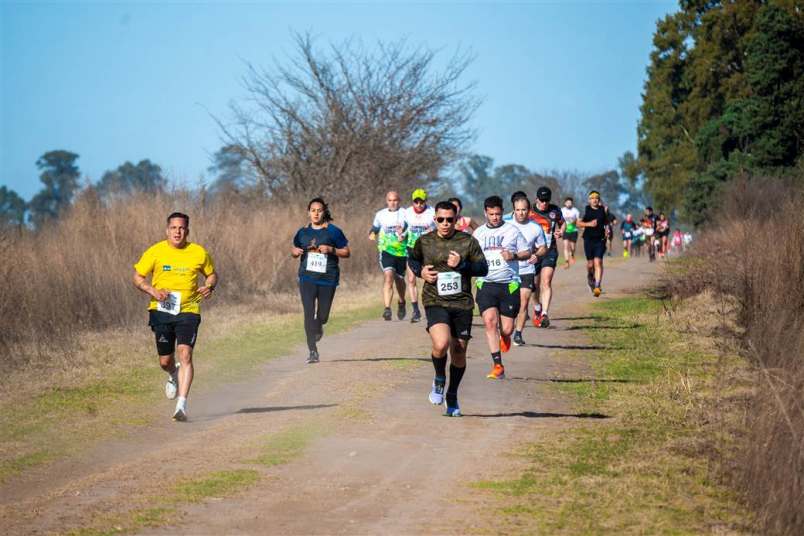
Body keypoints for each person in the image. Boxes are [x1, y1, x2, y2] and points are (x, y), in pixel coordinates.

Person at [133, 212, 217, 422]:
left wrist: (209, 286)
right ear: (167, 230)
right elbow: (137, 276)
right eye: (174, 228)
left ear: (187, 231)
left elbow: (212, 274)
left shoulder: (198, 252)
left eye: (182, 228)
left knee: (185, 354)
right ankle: (172, 374)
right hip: (162, 310)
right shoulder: (156, 251)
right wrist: (151, 290)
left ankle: (181, 406)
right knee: (164, 361)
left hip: (189, 310)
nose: (178, 232)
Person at [408, 201, 488, 417]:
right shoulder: (424, 241)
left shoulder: (467, 241)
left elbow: (483, 268)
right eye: (441, 219)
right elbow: (413, 260)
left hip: (462, 303)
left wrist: (462, 264)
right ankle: (439, 378)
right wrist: (420, 273)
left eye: (449, 219)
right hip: (435, 300)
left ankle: (452, 395)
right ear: (435, 219)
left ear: (456, 220)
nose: (445, 223)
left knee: (459, 351)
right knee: (441, 343)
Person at [473, 195, 530, 380]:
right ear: (485, 213)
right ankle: (498, 365)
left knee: (506, 329)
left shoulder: (512, 231)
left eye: (498, 214)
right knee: (489, 322)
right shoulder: (479, 233)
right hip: (486, 283)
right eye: (492, 214)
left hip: (509, 285)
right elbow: (471, 256)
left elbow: (527, 252)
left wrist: (513, 255)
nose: (495, 217)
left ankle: (505, 337)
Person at [291, 198, 350, 364]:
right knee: (308, 313)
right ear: (308, 212)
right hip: (307, 278)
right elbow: (294, 248)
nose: (316, 213)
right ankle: (312, 350)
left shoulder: (334, 232)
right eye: (313, 210)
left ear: (324, 212)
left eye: (319, 210)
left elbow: (346, 252)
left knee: (322, 316)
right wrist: (294, 252)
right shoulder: (302, 232)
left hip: (328, 279)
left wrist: (331, 250)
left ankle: (319, 325)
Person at [508, 194, 547, 347]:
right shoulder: (506, 225)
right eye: (518, 210)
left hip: (527, 270)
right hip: (509, 271)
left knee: (523, 303)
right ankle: (507, 329)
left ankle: (518, 333)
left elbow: (543, 247)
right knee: (511, 305)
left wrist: (537, 256)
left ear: (529, 210)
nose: (521, 213)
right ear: (514, 210)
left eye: (524, 210)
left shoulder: (535, 227)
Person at [529, 186, 565, 328]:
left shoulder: (555, 210)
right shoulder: (529, 210)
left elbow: (563, 224)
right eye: (542, 200)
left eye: (547, 200)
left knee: (546, 282)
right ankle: (537, 307)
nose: (544, 203)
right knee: (534, 286)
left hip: (550, 250)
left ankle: (544, 313)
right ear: (536, 199)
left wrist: (560, 232)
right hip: (534, 252)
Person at [369, 191, 408, 321]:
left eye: (395, 200)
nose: (393, 203)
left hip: (402, 252)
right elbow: (375, 228)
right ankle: (387, 308)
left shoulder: (405, 213)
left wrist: (404, 233)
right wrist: (372, 234)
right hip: (386, 250)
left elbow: (410, 229)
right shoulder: (380, 214)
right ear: (387, 201)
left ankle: (401, 302)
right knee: (388, 276)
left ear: (399, 200)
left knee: (400, 280)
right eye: (390, 200)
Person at [403, 189, 436, 323]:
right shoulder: (407, 212)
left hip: (428, 249)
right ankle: (416, 311)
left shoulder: (432, 212)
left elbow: (439, 226)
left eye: (421, 201)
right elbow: (404, 229)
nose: (418, 204)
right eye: (416, 201)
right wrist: (402, 235)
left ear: (425, 201)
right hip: (412, 248)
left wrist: (432, 230)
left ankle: (431, 308)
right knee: (411, 279)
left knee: (430, 278)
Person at [577, 191, 610, 297]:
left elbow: (606, 223)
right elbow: (578, 223)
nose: (594, 200)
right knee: (590, 265)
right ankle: (590, 277)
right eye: (592, 198)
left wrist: (607, 230)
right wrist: (589, 224)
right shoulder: (587, 210)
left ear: (599, 200)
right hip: (588, 239)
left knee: (598, 262)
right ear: (589, 200)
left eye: (596, 198)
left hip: (600, 240)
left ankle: (597, 286)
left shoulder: (603, 210)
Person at [560, 197, 580, 268]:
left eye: (570, 203)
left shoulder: (575, 211)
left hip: (574, 231)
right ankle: (566, 262)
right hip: (565, 230)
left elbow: (578, 221)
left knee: (573, 247)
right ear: (565, 203)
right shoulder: (562, 210)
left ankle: (572, 255)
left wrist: (574, 221)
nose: (569, 204)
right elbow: (559, 220)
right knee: (565, 246)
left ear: (572, 203)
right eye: (567, 202)